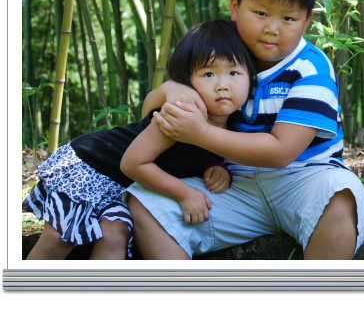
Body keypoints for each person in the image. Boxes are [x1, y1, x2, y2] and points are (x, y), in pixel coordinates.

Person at [126, 0, 364, 260]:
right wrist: (170, 90)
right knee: (145, 202)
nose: (271, 28)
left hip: (304, 181)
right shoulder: (220, 56)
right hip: (232, 186)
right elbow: (149, 112)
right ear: (235, 7)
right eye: (260, 13)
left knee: (340, 194)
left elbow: (281, 152)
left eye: (288, 18)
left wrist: (200, 133)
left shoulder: (311, 69)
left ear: (307, 21)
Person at [22, 19, 256, 260]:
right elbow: (133, 163)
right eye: (208, 74)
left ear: (251, 77)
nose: (222, 85)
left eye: (234, 73)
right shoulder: (180, 115)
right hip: (91, 167)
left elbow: (187, 158)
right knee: (60, 237)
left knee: (114, 234)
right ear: (187, 81)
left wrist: (216, 167)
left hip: (123, 187)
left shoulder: (238, 123)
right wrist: (185, 194)